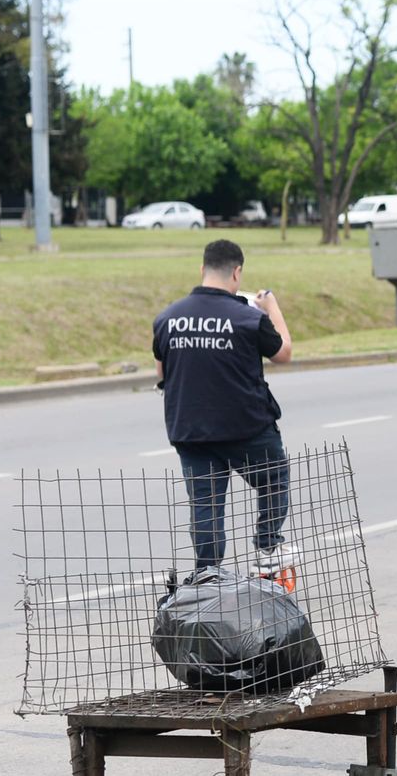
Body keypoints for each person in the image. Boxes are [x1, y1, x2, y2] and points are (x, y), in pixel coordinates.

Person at [153, 239, 295, 572]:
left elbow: (162, 373)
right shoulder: (247, 318)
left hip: (190, 428)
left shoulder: (167, 318)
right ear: (237, 272)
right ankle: (268, 546)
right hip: (246, 427)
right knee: (273, 480)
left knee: (205, 503)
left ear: (202, 269)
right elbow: (283, 354)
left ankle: (208, 574)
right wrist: (271, 307)